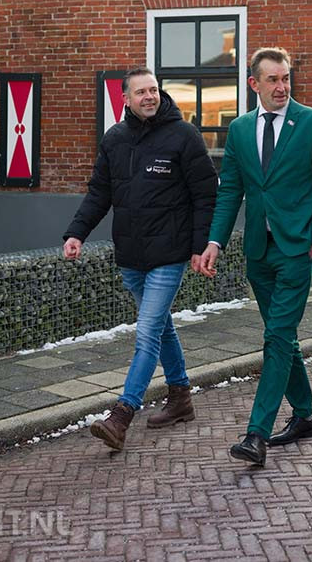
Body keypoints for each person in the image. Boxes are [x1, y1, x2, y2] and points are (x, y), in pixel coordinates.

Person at [198, 47, 312, 467]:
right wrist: (215, 242)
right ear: (254, 84)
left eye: (286, 78)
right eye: (273, 80)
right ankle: (304, 415)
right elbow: (231, 191)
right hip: (258, 251)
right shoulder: (239, 129)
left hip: (297, 249)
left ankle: (256, 433)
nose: (282, 87)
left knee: (276, 337)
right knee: (283, 336)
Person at [63, 67, 217, 451]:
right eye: (141, 92)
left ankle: (122, 415)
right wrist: (76, 233)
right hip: (130, 255)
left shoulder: (184, 135)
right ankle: (181, 397)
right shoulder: (114, 140)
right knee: (160, 326)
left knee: (146, 332)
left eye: (154, 90)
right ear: (125, 99)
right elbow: (99, 193)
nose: (149, 97)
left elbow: (205, 196)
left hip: (169, 253)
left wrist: (201, 246)